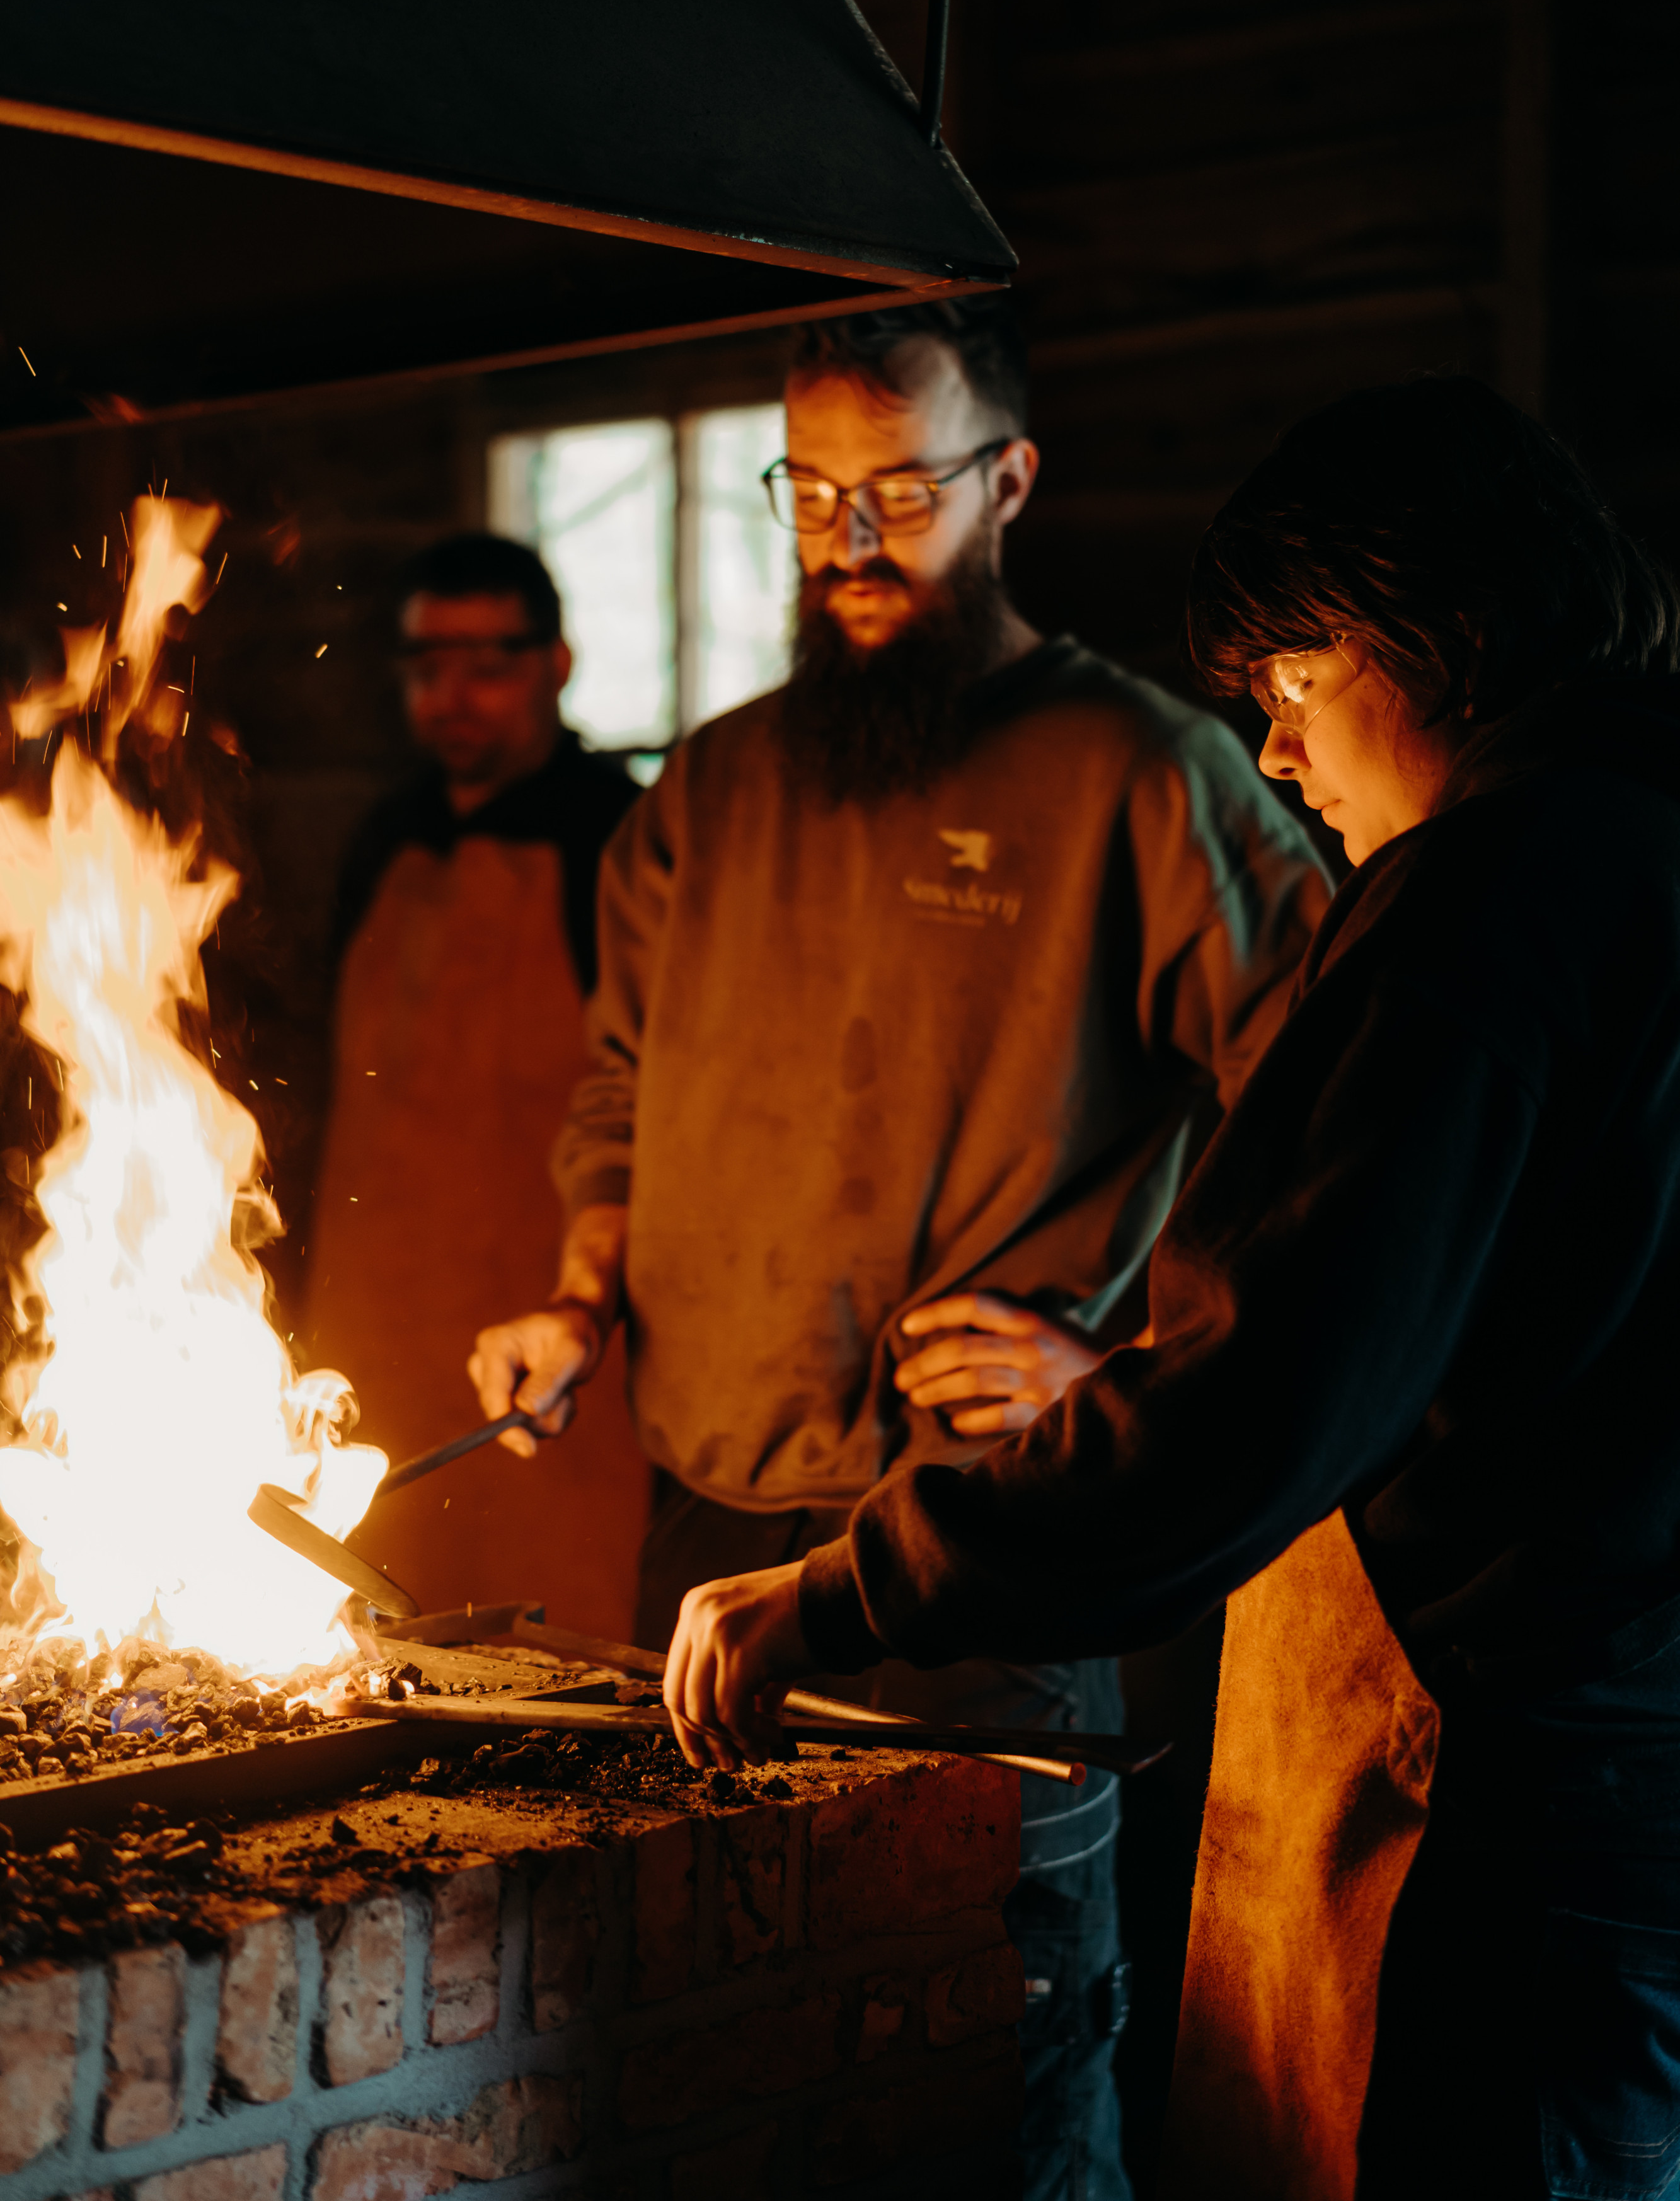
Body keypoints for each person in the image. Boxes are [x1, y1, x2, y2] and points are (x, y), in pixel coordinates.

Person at [659, 374, 1680, 2200]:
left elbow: (1263, 1391)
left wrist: (854, 1586)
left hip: (1533, 1799)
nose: (1281, 755)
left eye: (1291, 685)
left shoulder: (1486, 904)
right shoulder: (1647, 839)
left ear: (1415, 638)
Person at [468, 299, 1331, 2200]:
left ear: (1006, 481)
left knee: (987, 2070)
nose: (853, 544)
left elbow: (1333, 1131)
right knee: (713, 2033)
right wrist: (576, 1289)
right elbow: (619, 1083)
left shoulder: (1147, 777)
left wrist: (1111, 1368)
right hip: (704, 1518)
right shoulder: (706, 788)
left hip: (987, 1555)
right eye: (815, 496)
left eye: (904, 492)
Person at [308, 534, 644, 1631]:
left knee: (561, 1632)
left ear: (556, 662)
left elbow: (650, 1100)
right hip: (375, 1326)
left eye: (485, 663)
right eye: (425, 665)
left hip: (549, 1343)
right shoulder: (382, 840)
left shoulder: (619, 836)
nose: (451, 695)